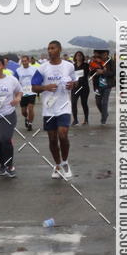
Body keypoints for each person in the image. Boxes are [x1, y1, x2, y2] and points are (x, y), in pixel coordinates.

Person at [31, 40, 76, 179]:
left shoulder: (69, 66)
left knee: (63, 134)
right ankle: (57, 165)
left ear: (59, 49)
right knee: (52, 139)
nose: (50, 51)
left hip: (64, 106)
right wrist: (45, 87)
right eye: (48, 48)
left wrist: (72, 85)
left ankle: (65, 163)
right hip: (49, 108)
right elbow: (34, 87)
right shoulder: (42, 68)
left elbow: (75, 81)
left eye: (53, 48)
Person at [89, 49, 116, 125]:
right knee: (98, 102)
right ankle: (105, 114)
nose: (103, 56)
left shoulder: (111, 62)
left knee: (104, 102)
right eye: (102, 54)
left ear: (107, 54)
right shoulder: (95, 61)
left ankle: (103, 119)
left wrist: (103, 72)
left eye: (105, 54)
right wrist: (94, 71)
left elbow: (113, 73)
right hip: (97, 85)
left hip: (107, 85)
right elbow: (90, 73)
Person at [16, 55, 36, 131]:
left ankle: (30, 123)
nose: (24, 62)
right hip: (22, 92)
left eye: (25, 61)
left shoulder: (34, 69)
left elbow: (37, 79)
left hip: (32, 91)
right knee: (23, 111)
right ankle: (27, 118)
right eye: (23, 61)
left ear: (28, 61)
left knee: (30, 108)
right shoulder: (18, 70)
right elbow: (15, 80)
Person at [71, 51, 90, 125]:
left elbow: (85, 75)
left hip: (84, 87)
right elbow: (70, 76)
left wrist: (78, 80)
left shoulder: (86, 65)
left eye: (80, 55)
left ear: (82, 57)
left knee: (84, 103)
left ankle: (86, 119)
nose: (79, 57)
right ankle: (75, 120)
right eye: (77, 55)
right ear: (75, 57)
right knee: (73, 103)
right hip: (75, 87)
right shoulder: (72, 66)